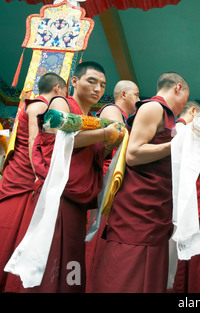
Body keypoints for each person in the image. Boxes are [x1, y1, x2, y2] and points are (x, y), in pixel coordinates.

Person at [20, 61, 124, 293]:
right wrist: (104, 133)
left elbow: (92, 158)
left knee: (71, 263)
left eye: (102, 85)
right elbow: (61, 140)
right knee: (50, 259)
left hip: (78, 202)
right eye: (92, 81)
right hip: (58, 196)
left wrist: (108, 143)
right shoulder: (61, 103)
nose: (98, 88)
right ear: (74, 82)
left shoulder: (93, 118)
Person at [92, 72, 189, 293]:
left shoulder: (165, 115)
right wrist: (176, 145)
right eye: (185, 98)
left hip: (154, 209)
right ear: (178, 88)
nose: (183, 106)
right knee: (127, 276)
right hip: (137, 211)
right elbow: (134, 154)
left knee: (150, 276)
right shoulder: (153, 108)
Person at [0, 72, 67, 292]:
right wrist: (40, 174)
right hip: (24, 177)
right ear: (58, 89)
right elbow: (33, 142)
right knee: (9, 231)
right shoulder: (39, 105)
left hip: (26, 176)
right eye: (65, 93)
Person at [84, 80, 140, 292]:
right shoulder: (111, 110)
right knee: (97, 238)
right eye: (136, 95)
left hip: (120, 181)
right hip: (108, 181)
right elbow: (119, 137)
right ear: (124, 94)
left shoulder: (126, 117)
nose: (138, 100)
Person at [170, 100, 200, 293]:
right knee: (186, 269)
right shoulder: (187, 133)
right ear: (193, 112)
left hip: (170, 208)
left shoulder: (168, 131)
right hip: (190, 208)